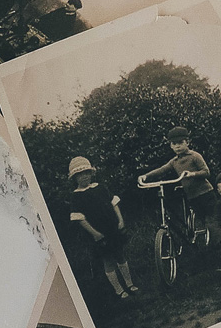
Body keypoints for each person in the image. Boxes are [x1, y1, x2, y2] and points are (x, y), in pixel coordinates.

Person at [141, 126, 219, 259]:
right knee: (202, 221)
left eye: (180, 142)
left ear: (187, 142)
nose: (177, 146)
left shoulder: (194, 156)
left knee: (212, 222)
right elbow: (162, 170)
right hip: (192, 197)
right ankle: (211, 246)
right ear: (171, 146)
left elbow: (206, 172)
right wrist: (146, 176)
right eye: (174, 144)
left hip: (206, 193)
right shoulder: (174, 162)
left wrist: (192, 174)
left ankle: (217, 250)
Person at [70, 157, 141, 299]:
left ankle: (129, 283)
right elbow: (79, 218)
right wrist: (95, 233)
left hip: (112, 228)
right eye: (80, 174)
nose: (84, 176)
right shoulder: (76, 196)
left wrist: (120, 220)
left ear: (91, 173)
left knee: (120, 254)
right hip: (98, 233)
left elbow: (114, 203)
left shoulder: (100, 188)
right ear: (75, 178)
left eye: (86, 173)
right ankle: (118, 289)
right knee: (108, 260)